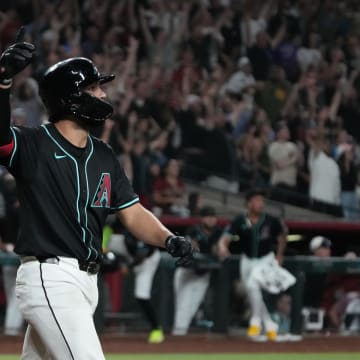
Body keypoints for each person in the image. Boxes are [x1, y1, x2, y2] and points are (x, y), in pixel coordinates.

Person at [0, 29, 193, 360]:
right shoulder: (34, 145)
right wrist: (2, 83)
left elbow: (132, 213)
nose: (103, 94)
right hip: (51, 276)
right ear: (70, 98)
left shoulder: (103, 154)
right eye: (94, 87)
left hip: (86, 284)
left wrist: (167, 238)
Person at [217, 189, 288, 341]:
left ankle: (255, 321)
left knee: (252, 285)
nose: (260, 204)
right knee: (252, 292)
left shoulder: (271, 220)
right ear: (248, 203)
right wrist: (223, 247)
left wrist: (279, 255)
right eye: (257, 201)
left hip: (265, 259)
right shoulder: (240, 220)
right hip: (247, 259)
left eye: (262, 201)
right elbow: (225, 237)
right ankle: (269, 324)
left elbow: (282, 236)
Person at [105, 222, 165, 344]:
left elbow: (141, 256)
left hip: (147, 261)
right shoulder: (129, 234)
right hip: (131, 254)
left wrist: (126, 266)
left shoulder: (148, 235)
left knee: (141, 295)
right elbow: (109, 226)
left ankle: (156, 329)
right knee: (107, 242)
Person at [172, 205, 222, 335]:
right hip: (186, 272)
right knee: (182, 303)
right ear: (202, 219)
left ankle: (179, 333)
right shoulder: (193, 230)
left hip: (203, 274)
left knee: (192, 306)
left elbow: (219, 250)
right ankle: (178, 333)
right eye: (208, 217)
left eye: (213, 217)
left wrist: (218, 250)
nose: (211, 220)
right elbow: (192, 248)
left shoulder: (218, 232)